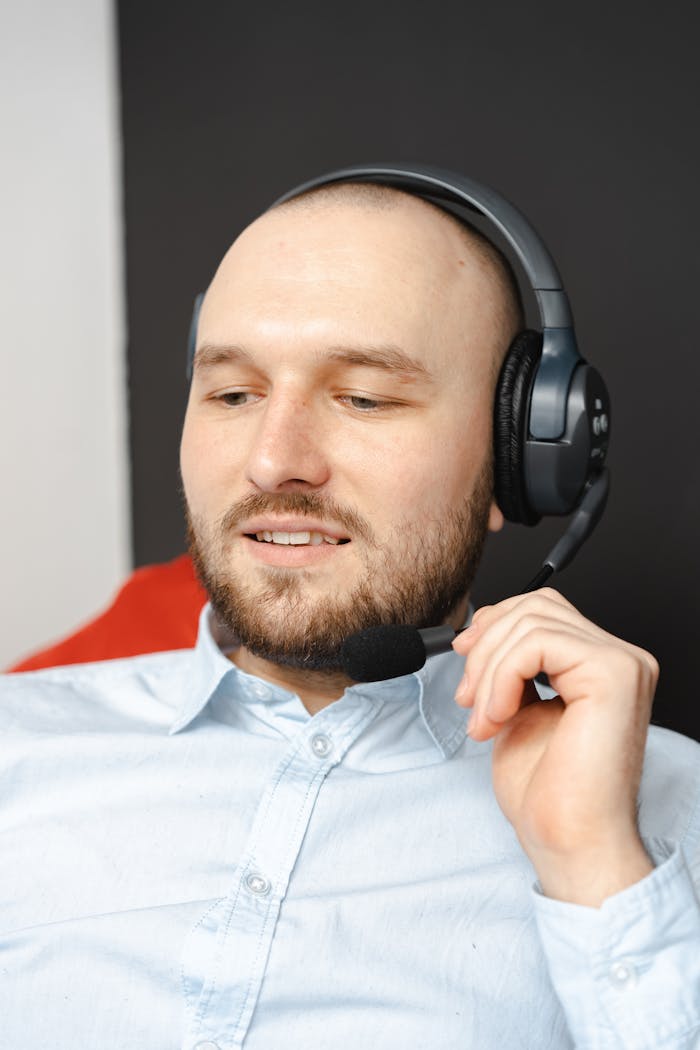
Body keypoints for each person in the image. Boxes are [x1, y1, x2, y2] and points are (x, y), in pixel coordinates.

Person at [2, 171, 699, 1050]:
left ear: (520, 457)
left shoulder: (666, 821)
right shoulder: (16, 746)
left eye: (364, 397)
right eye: (233, 394)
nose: (273, 461)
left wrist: (593, 864)